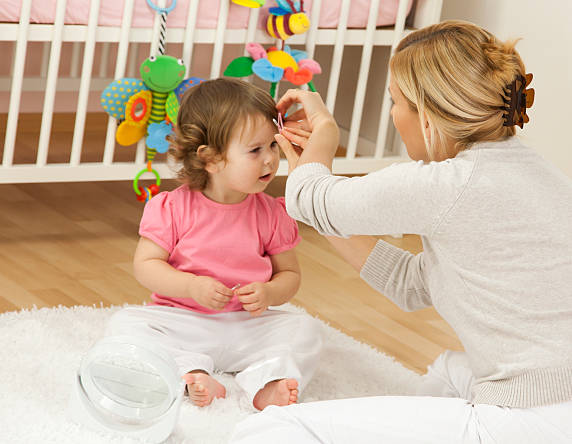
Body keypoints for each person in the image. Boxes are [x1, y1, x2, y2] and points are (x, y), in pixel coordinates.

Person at [230, 20, 572, 443]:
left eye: (395, 102)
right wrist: (317, 194)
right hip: (559, 396)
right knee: (450, 369)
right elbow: (411, 285)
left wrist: (325, 139)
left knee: (284, 426)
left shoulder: (448, 185)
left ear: (427, 114)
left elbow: (311, 198)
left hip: (532, 416)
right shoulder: (530, 171)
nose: (392, 115)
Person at [106, 78, 322, 410]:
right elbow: (145, 266)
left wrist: (269, 294)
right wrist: (191, 286)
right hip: (182, 321)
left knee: (304, 329)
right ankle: (191, 372)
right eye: (255, 150)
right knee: (125, 325)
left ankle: (266, 381)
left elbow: (290, 275)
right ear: (211, 159)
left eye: (272, 147)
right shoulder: (172, 208)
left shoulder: (272, 213)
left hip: (246, 327)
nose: (269, 160)